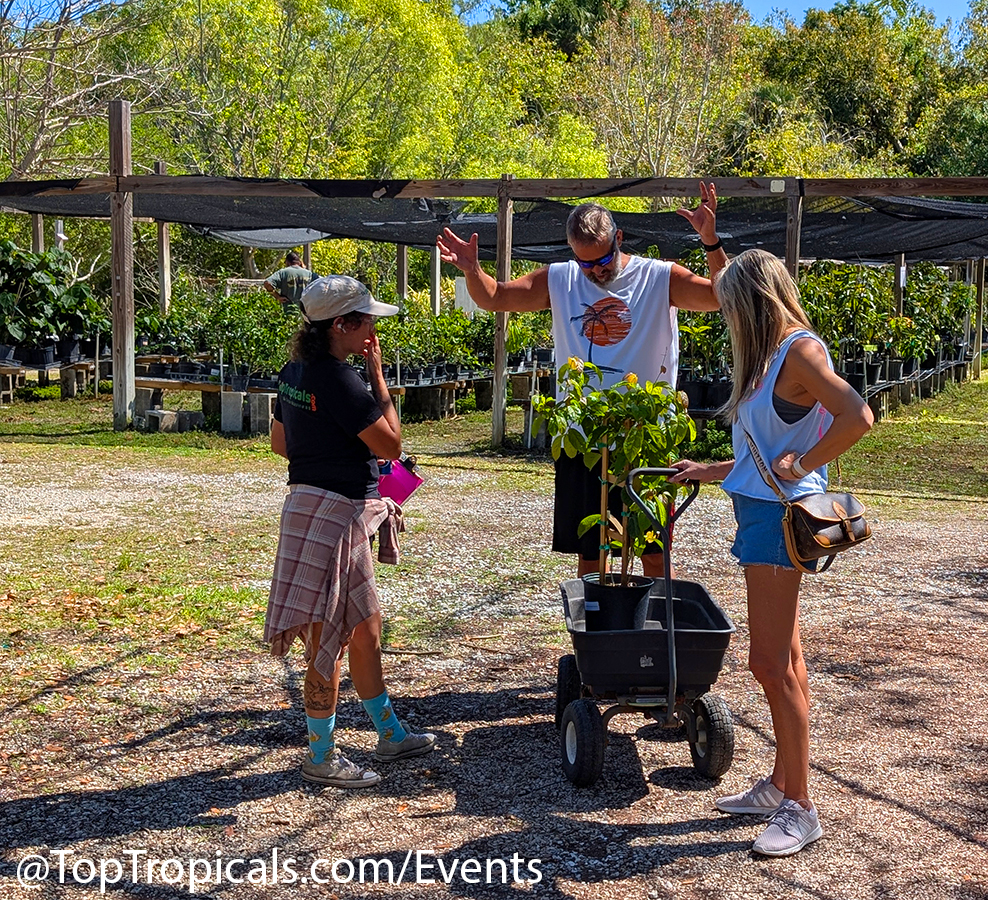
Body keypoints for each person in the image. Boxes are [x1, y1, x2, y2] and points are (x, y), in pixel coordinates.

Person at [669, 249, 873, 857]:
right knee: (786, 660)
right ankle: (783, 784)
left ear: (752, 303)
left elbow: (859, 415)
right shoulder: (771, 357)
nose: (727, 317)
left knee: (768, 664)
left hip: (781, 522)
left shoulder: (799, 351)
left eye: (730, 306)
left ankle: (801, 807)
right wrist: (711, 469)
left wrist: (805, 463)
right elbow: (765, 450)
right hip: (761, 514)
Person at [436, 184, 727, 578]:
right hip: (583, 438)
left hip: (645, 437)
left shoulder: (658, 277)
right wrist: (473, 271)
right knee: (591, 552)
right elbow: (495, 297)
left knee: (653, 551)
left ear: (619, 238)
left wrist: (710, 241)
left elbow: (719, 296)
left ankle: (658, 618)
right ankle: (594, 617)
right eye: (585, 263)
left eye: (603, 259)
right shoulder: (561, 279)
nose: (596, 271)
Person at [266, 274, 435, 788]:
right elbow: (391, 445)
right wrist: (378, 378)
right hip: (336, 514)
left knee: (365, 629)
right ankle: (320, 756)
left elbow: (280, 444)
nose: (372, 331)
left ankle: (390, 734)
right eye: (365, 321)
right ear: (340, 325)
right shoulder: (342, 379)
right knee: (327, 638)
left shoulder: (295, 371)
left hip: (309, 506)